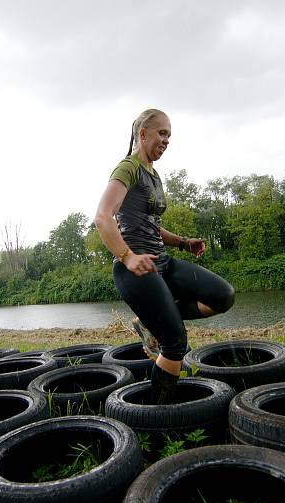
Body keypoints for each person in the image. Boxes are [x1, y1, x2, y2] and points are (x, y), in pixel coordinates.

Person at [94, 108, 235, 404]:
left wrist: (182, 242)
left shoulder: (154, 175)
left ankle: (149, 320)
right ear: (142, 134)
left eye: (169, 135)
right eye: (162, 133)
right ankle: (158, 415)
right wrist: (127, 256)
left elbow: (152, 227)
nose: (167, 140)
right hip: (136, 270)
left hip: (162, 262)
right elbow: (103, 217)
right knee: (175, 343)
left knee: (223, 296)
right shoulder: (127, 168)